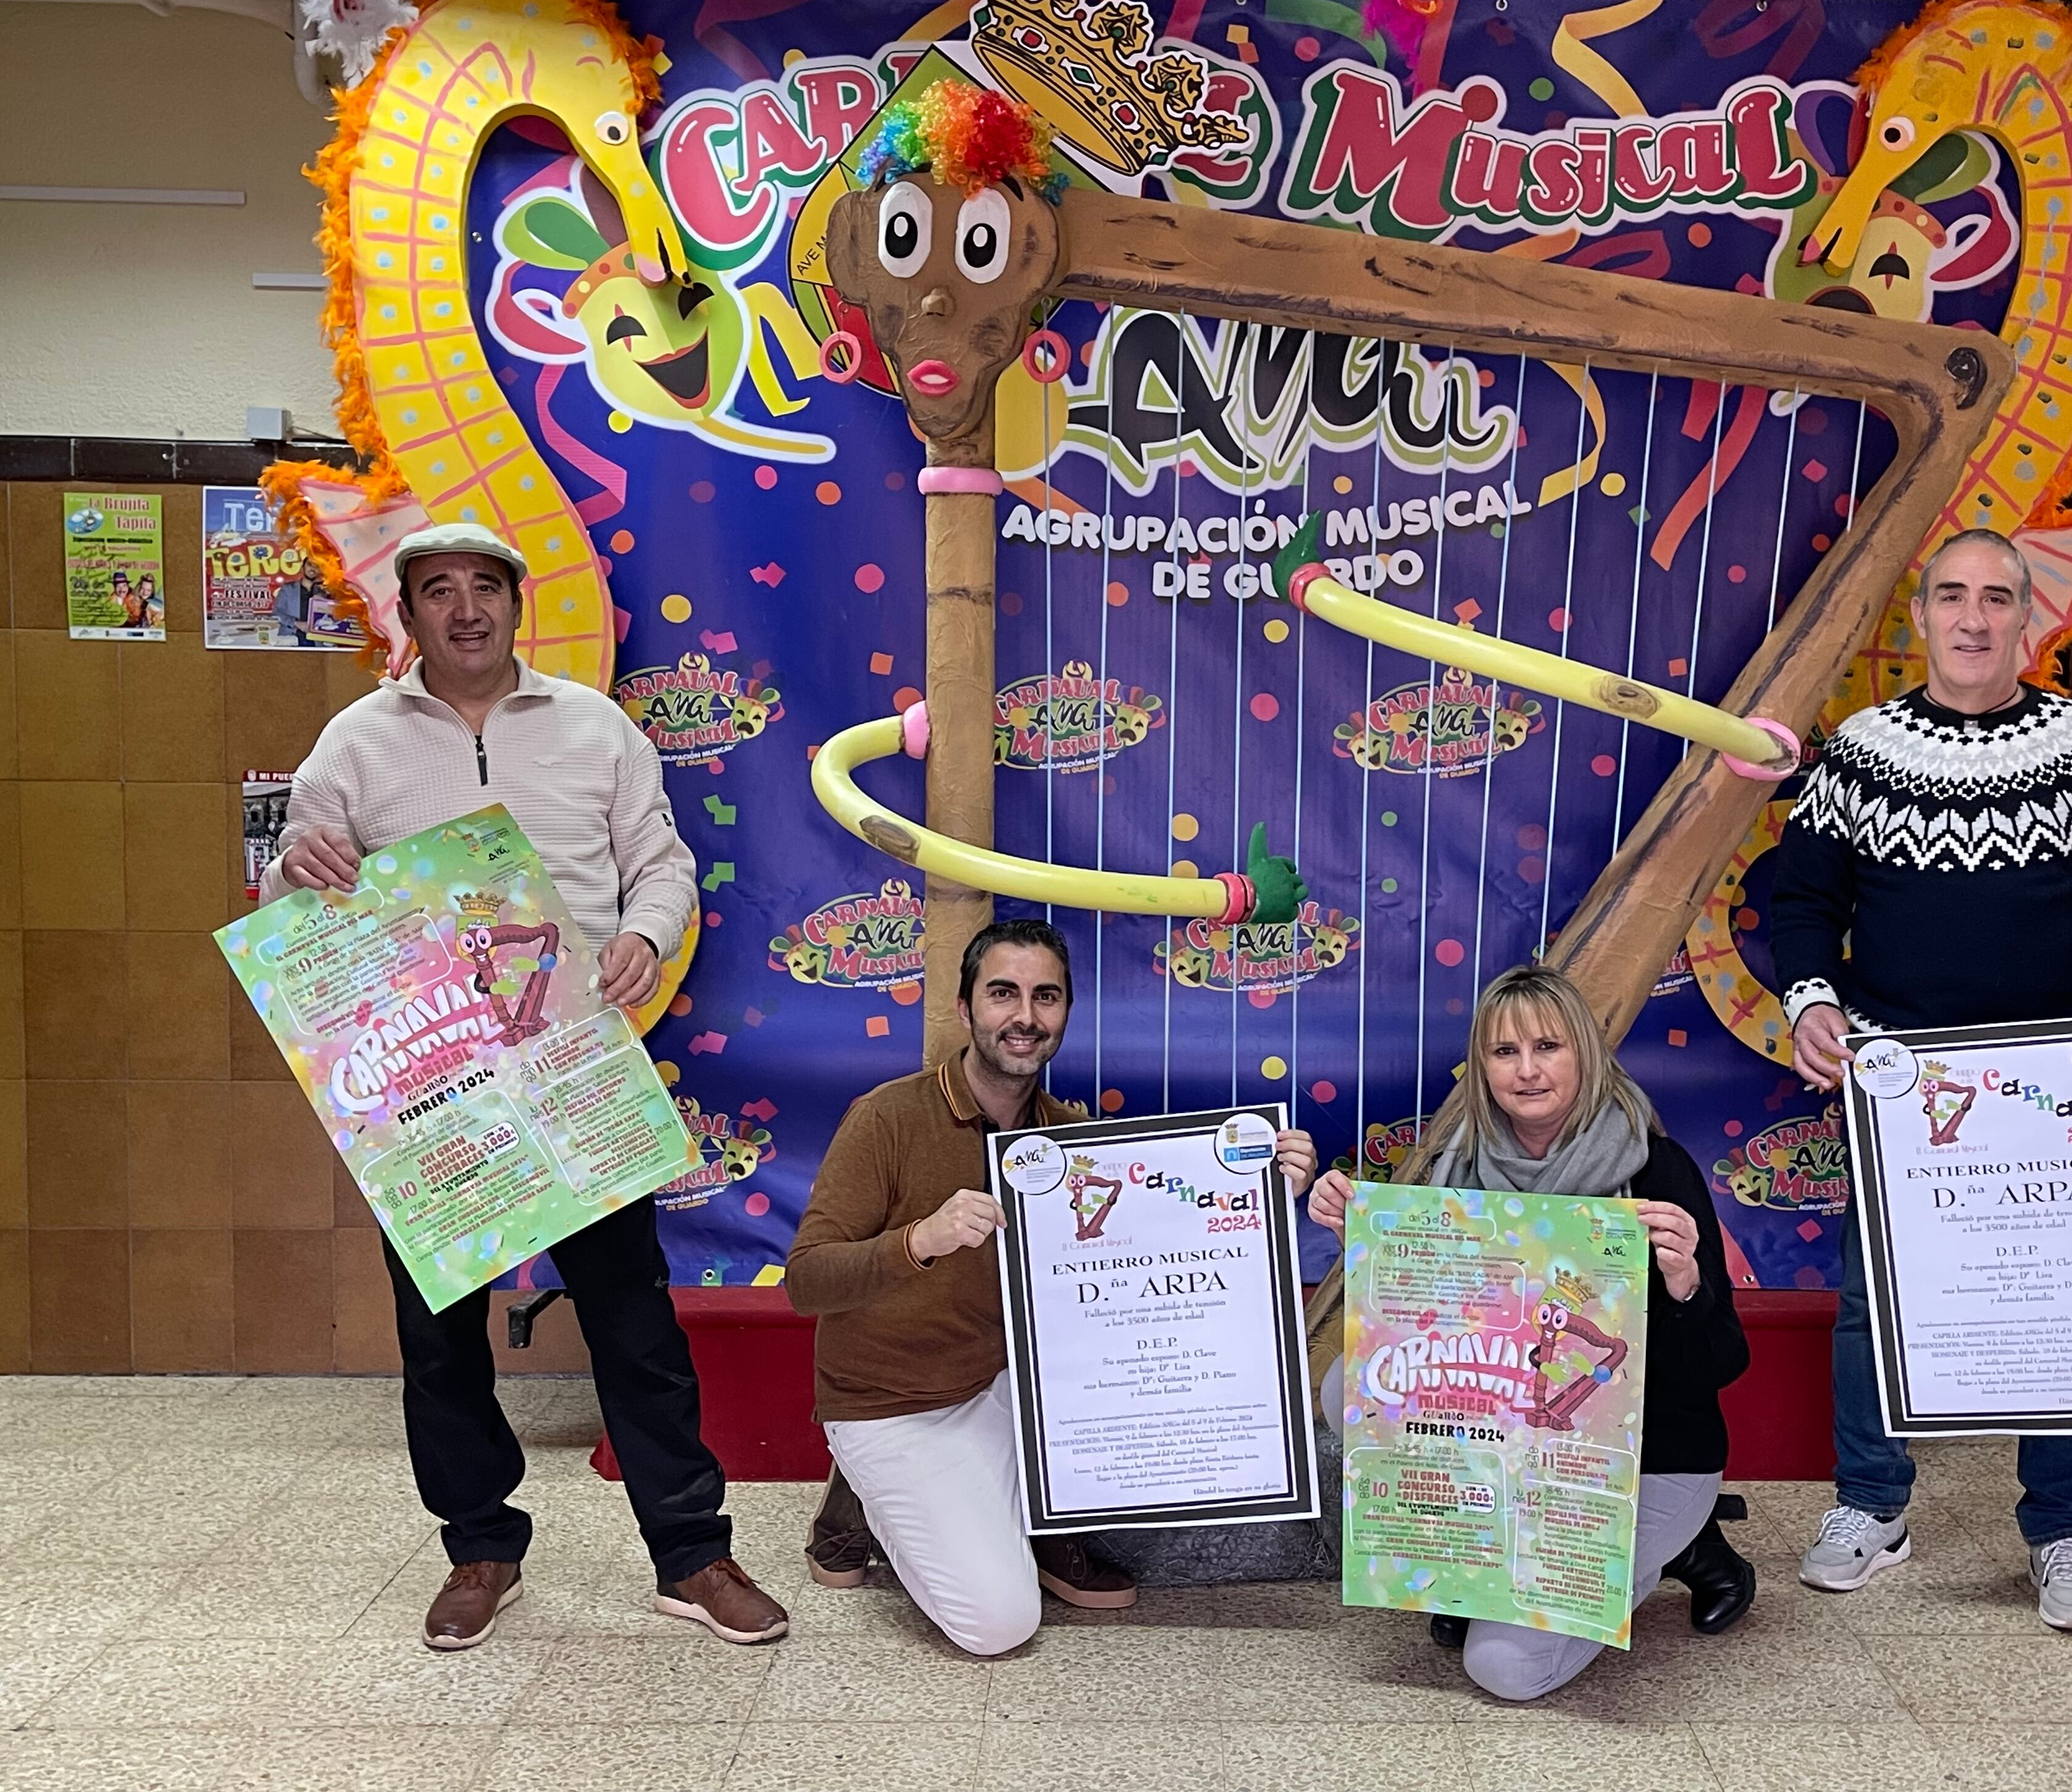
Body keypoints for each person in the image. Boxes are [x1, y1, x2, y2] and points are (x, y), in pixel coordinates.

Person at [277, 520, 788, 1651]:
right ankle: (479, 1546)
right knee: (439, 1329)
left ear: (517, 603)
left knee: (633, 1317)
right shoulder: (357, 740)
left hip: (569, 1065)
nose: (465, 608)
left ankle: (692, 1552)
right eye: (438, 590)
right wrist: (293, 868)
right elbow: (297, 884)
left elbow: (662, 862)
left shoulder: (594, 726)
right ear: (406, 615)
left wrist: (647, 937)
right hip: (429, 1081)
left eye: (485, 587)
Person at [1771, 526, 2072, 1634]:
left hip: (2054, 1080)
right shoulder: (1860, 752)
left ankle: (2061, 1523)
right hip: (1899, 1076)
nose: (1973, 618)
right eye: (1952, 596)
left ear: (2027, 618)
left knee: (2063, 1299)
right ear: (1918, 617)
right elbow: (1802, 901)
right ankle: (1872, 1505)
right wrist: (1812, 999)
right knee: (1874, 1298)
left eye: (1997, 598)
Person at [786, 916, 1321, 1655]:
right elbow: (806, 1281)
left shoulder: (1069, 1138)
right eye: (1003, 993)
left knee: (1138, 1382)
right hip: (894, 1404)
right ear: (966, 1005)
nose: (1025, 1016)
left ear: (1066, 1013)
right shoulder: (886, 1117)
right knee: (999, 1626)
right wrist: (921, 1240)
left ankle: (1031, 1519)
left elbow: (1172, 1233)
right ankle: (878, 1502)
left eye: (1047, 997)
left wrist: (1266, 1178)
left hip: (1014, 1394)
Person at [1306, 964, 1751, 1703]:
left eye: (1547, 1047)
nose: (1528, 1070)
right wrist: (1353, 1227)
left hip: (1643, 1464)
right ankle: (1478, 1556)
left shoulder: (1655, 1172)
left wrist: (1685, 1289)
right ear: (1482, 1070)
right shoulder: (1459, 1173)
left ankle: (1691, 1547)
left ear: (1585, 1052)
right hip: (1516, 1462)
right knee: (1340, 1388)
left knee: (1504, 1671)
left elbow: (1722, 1363)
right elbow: (1413, 1349)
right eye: (1505, 1053)